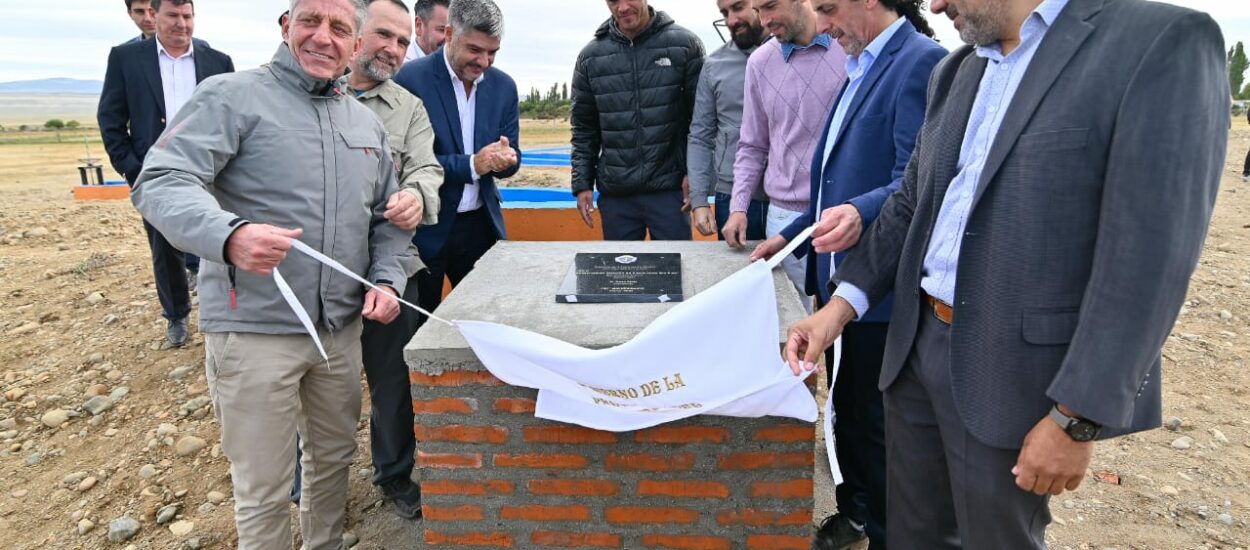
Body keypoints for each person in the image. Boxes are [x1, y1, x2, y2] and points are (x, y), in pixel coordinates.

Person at [784, 0, 1229, 547]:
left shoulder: (1158, 43)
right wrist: (839, 307)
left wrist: (1077, 416)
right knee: (911, 534)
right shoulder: (960, 68)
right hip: (914, 352)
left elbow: (1148, 261)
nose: (937, 6)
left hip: (1014, 375)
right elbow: (909, 205)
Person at [130, 0, 417, 545]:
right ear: (286, 27)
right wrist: (229, 234)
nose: (323, 38)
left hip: (337, 333)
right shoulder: (230, 97)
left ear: (355, 45)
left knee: (332, 466)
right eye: (310, 21)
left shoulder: (364, 122)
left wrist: (386, 281)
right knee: (263, 487)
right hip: (254, 331)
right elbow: (161, 181)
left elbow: (388, 219)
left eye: (339, 28)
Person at [748, 0, 943, 546]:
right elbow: (834, 182)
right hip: (838, 285)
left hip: (881, 294)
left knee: (879, 427)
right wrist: (788, 237)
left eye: (829, 9)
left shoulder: (921, 62)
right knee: (848, 414)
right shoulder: (858, 66)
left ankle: (885, 530)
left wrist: (862, 211)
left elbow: (917, 180)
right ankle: (857, 511)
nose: (824, 26)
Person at [344, 0, 444, 520]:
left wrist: (417, 196)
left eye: (404, 41)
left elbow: (427, 167)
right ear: (354, 33)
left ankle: (395, 474)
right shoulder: (310, 93)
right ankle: (309, 479)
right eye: (385, 34)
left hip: (391, 267)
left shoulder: (408, 107)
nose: (394, 49)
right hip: (319, 269)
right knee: (314, 385)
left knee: (392, 383)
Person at [98, 0, 233, 348]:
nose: (181, 24)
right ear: (153, 17)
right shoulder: (126, 60)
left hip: (211, 170)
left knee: (220, 238)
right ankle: (176, 315)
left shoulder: (218, 62)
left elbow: (234, 117)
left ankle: (227, 312)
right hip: (155, 172)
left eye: (187, 16)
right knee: (164, 245)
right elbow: (111, 120)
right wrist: (132, 169)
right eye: (172, 16)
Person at [394, 0, 520, 319]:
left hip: (480, 227)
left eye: (492, 52)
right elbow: (407, 164)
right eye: (475, 49)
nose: (484, 61)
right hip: (426, 228)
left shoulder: (504, 87)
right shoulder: (410, 80)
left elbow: (510, 160)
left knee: (484, 320)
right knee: (422, 323)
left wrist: (507, 160)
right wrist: (473, 165)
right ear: (449, 34)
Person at [722, 0, 845, 306]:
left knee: (846, 329)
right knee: (793, 332)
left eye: (770, 7)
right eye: (759, 10)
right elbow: (752, 144)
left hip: (844, 211)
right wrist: (739, 207)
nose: (763, 20)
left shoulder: (849, 48)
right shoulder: (759, 62)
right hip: (784, 218)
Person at [571, 0, 705, 240]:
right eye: (613, 1)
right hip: (616, 197)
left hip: (671, 192)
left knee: (673, 273)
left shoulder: (685, 45)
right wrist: (582, 184)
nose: (622, 8)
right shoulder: (590, 57)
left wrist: (693, 173)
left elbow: (700, 120)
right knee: (621, 276)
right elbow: (584, 128)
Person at [687, 0, 768, 241]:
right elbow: (700, 136)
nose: (731, 20)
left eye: (738, 7)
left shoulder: (794, 54)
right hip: (732, 195)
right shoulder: (714, 66)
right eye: (724, 13)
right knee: (740, 275)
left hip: (790, 197)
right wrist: (699, 200)